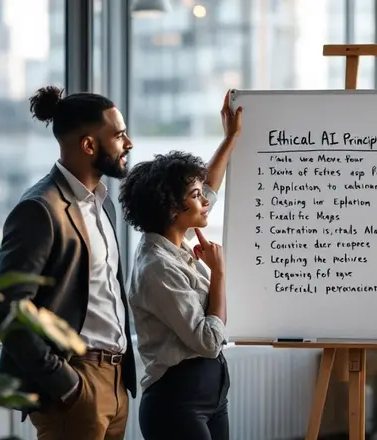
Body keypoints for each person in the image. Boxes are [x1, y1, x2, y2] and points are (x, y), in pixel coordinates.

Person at [0, 85, 136, 440]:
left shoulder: (103, 205)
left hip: (115, 383)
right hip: (75, 384)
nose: (128, 143)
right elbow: (4, 309)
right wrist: (67, 384)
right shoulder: (39, 209)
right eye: (118, 135)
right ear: (89, 145)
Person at [120, 92, 241, 440]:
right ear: (173, 208)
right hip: (177, 404)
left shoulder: (177, 242)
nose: (205, 201)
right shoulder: (157, 267)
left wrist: (230, 139)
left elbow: (211, 190)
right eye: (195, 195)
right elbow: (207, 341)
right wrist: (218, 274)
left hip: (210, 398)